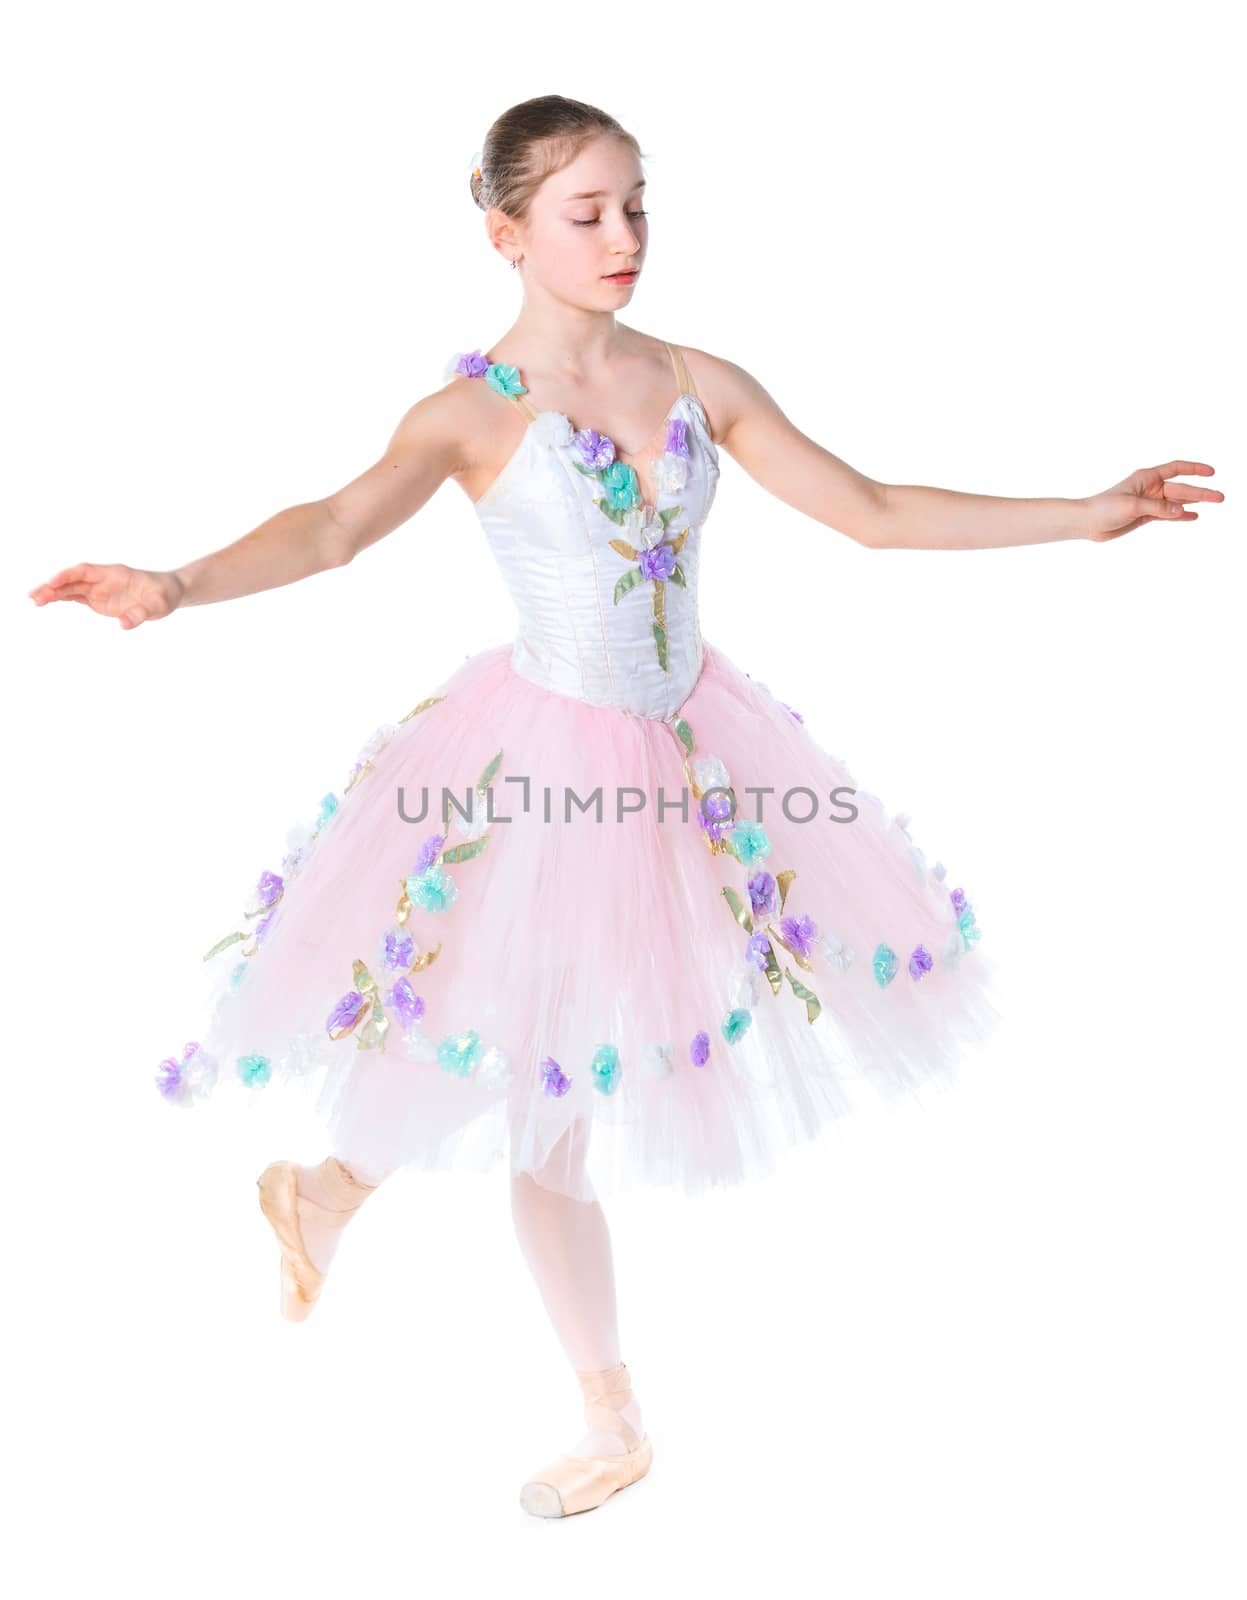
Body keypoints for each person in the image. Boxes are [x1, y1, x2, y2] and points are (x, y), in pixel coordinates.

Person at [26, 93, 1223, 1518]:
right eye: (586, 213)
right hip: (542, 766)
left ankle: (334, 1194)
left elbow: (874, 509)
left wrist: (1083, 516)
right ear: (506, 233)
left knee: (540, 1066)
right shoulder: (473, 414)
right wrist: (175, 582)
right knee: (546, 1087)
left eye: (636, 205)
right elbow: (335, 528)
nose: (623, 237)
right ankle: (602, 1411)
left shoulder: (696, 379)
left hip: (693, 750)